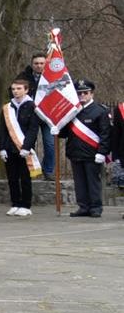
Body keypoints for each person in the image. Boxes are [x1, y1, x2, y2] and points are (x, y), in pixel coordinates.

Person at [62, 79, 112, 218]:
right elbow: (66, 132)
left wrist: (102, 152)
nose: (82, 95)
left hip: (92, 153)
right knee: (80, 182)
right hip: (75, 151)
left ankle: (96, 207)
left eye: (85, 93)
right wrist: (57, 129)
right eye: (79, 93)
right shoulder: (72, 111)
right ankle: (83, 207)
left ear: (92, 94)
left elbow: (105, 134)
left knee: (93, 182)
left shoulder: (100, 111)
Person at [0, 77, 40, 216]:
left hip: (24, 147)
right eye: (13, 89)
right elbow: (3, 129)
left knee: (24, 177)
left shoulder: (32, 106)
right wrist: (2, 148)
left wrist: (27, 147)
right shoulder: (7, 107)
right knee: (12, 177)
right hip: (9, 147)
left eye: (19, 89)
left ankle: (26, 205)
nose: (16, 91)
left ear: (26, 90)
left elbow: (33, 129)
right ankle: (15, 203)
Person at [18, 52, 57, 182]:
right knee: (28, 144)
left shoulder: (53, 77)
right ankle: (31, 170)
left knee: (50, 144)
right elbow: (14, 91)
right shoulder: (23, 77)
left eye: (42, 63)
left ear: (46, 64)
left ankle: (49, 171)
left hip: (47, 116)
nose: (39, 66)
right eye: (36, 63)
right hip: (30, 115)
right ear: (32, 64)